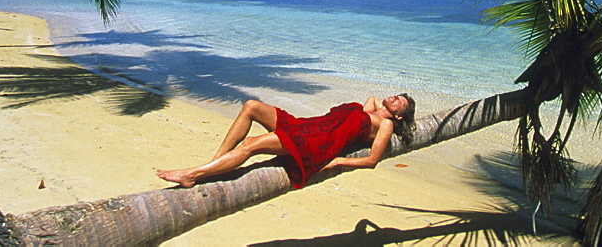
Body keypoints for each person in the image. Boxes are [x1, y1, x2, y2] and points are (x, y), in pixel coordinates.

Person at [156, 94, 416, 189]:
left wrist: (337, 161)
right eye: (395, 94)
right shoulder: (370, 108)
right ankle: (214, 164)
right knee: (251, 106)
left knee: (251, 145)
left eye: (400, 101)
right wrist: (379, 106)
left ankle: (193, 175)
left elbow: (372, 161)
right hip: (307, 125)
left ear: (400, 115)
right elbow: (369, 100)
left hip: (314, 141)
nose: (394, 96)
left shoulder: (386, 124)